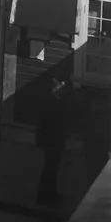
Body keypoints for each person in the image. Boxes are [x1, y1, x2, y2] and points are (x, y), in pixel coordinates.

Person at [36, 73, 75, 205]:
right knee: (50, 168)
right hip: (52, 140)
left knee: (51, 167)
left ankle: (48, 194)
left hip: (52, 139)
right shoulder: (52, 104)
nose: (62, 88)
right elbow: (52, 124)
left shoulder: (52, 102)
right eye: (60, 86)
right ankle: (45, 195)